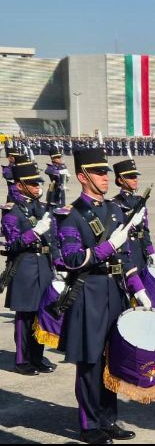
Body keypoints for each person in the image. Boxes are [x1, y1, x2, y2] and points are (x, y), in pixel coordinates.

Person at [55, 148, 149, 444]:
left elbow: (125, 256)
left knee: (112, 360)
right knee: (90, 362)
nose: (105, 177)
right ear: (82, 177)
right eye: (98, 172)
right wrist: (107, 247)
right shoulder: (71, 216)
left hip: (114, 292)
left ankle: (108, 419)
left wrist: (138, 287)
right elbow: (71, 259)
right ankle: (90, 424)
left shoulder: (114, 210)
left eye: (106, 172)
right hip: (89, 293)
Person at [2, 161, 57, 375]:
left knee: (41, 315)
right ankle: (22, 360)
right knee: (25, 317)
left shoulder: (40, 207)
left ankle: (37, 356)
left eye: (38, 183)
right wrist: (34, 232)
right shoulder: (11, 211)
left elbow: (52, 239)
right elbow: (13, 244)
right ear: (20, 185)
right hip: (24, 267)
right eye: (33, 184)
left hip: (43, 266)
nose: (37, 187)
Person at [112, 158, 155, 270]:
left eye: (135, 176)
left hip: (141, 249)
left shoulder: (139, 200)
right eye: (131, 177)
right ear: (121, 180)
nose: (135, 180)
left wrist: (151, 251)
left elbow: (144, 229)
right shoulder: (115, 203)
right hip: (128, 250)